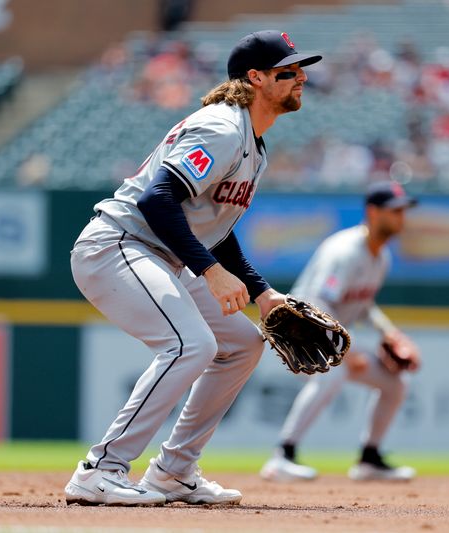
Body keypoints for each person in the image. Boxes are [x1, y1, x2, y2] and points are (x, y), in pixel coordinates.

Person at [64, 30, 322, 506]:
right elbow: (157, 199)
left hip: (157, 253)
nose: (301, 76)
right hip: (118, 244)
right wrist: (209, 271)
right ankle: (101, 470)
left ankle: (173, 471)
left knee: (243, 344)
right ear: (256, 78)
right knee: (190, 343)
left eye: (300, 69)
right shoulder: (223, 128)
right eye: (288, 70)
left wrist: (261, 293)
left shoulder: (253, 144)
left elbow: (216, 229)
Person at [260, 181, 421, 483]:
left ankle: (369, 459)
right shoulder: (344, 251)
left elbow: (363, 303)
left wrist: (389, 332)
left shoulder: (381, 257)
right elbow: (318, 302)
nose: (402, 216)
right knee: (334, 373)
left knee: (396, 383)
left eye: (404, 210)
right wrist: (349, 352)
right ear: (373, 213)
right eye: (395, 210)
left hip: (331, 342)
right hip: (297, 336)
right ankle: (282, 456)